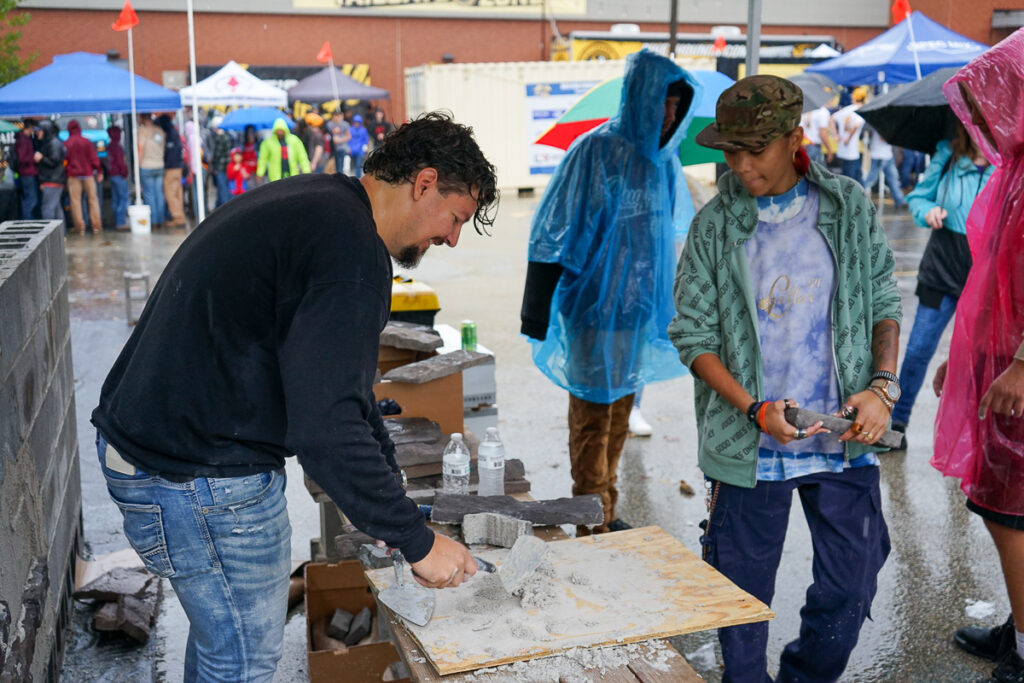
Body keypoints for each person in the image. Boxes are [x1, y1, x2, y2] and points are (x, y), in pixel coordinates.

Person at [91, 112, 498, 682]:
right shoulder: (350, 253)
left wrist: (389, 493)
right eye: (455, 218)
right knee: (242, 664)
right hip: (197, 479)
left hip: (161, 454)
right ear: (425, 183)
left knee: (223, 647)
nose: (452, 238)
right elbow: (325, 426)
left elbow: (342, 390)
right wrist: (417, 542)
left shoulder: (323, 205)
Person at [669, 75, 901, 682]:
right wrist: (754, 410)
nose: (741, 165)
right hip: (750, 447)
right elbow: (693, 336)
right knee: (740, 608)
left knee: (852, 587)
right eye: (731, 150)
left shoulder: (847, 206)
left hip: (841, 439)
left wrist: (882, 388)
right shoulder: (714, 226)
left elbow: (883, 299)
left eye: (756, 149)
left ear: (795, 138)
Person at [520, 50, 697, 534]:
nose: (670, 115)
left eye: (677, 105)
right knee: (593, 415)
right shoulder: (595, 151)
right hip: (593, 309)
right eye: (662, 102)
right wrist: (536, 308)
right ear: (640, 98)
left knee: (621, 409)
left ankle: (607, 509)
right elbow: (550, 231)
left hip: (638, 311)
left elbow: (668, 237)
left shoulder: (663, 161)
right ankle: (590, 516)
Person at [929, 28, 1024, 683]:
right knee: (1004, 507)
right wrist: (961, 355)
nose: (986, 115)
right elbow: (994, 277)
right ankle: (1018, 624)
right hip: (999, 361)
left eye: (996, 97)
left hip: (1017, 371)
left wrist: (1022, 365)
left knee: (1009, 509)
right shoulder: (1014, 169)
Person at [889, 122, 994, 445]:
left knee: (978, 356)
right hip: (941, 266)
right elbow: (919, 197)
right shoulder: (948, 153)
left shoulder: (1007, 165)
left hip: (984, 276)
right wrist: (928, 210)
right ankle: (896, 423)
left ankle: (972, 433)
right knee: (919, 348)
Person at [63, 119, 104, 234]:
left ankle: (80, 228)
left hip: (73, 176)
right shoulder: (87, 142)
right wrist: (99, 171)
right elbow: (94, 159)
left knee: (75, 202)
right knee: (93, 200)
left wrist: (66, 174)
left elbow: (64, 161)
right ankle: (96, 226)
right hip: (88, 174)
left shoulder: (67, 143)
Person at [861, 123, 908, 209]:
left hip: (887, 155)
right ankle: (858, 196)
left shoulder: (888, 123)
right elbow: (883, 138)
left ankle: (900, 200)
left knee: (893, 179)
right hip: (879, 156)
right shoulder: (880, 124)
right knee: (871, 180)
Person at [257, 118, 310, 183]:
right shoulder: (268, 142)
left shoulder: (294, 140)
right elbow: (263, 159)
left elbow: (303, 157)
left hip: (292, 175)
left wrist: (307, 171)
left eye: (281, 130)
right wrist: (260, 173)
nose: (280, 133)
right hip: (275, 177)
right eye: (278, 130)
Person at [34, 121, 66, 224]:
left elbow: (54, 161)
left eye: (39, 131)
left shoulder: (53, 143)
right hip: (53, 180)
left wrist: (41, 158)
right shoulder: (50, 143)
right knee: (56, 209)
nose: (37, 133)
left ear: (45, 131)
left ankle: (49, 231)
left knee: (48, 209)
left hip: (52, 180)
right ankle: (61, 232)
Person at [157, 114, 186, 227]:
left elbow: (170, 154)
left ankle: (178, 218)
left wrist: (165, 164)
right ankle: (180, 216)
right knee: (177, 193)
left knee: (171, 193)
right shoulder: (175, 132)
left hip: (171, 168)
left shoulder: (169, 135)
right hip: (178, 167)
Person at [832, 88, 866, 183]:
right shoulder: (861, 110)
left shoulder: (847, 109)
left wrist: (836, 135)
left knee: (852, 178)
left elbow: (832, 119)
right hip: (852, 151)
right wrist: (848, 138)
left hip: (844, 150)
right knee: (853, 181)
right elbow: (856, 125)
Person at [137, 114, 166, 227]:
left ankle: (153, 221)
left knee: (149, 194)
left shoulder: (142, 131)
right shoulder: (159, 130)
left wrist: (137, 166)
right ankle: (161, 220)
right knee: (159, 193)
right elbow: (163, 147)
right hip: (159, 164)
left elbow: (140, 149)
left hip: (147, 165)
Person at [106, 125, 130, 230]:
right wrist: (125, 173)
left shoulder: (109, 146)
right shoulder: (117, 147)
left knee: (116, 199)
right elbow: (121, 163)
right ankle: (121, 222)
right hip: (119, 175)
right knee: (123, 198)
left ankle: (116, 221)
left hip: (112, 175)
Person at [16, 118, 39, 219]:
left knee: (29, 200)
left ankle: (28, 220)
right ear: (30, 127)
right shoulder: (23, 140)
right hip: (27, 173)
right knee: (31, 200)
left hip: (27, 173)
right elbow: (22, 158)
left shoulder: (25, 139)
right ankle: (27, 221)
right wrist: (33, 158)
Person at [209, 117, 233, 208]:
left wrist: (214, 167)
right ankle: (219, 207)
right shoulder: (228, 135)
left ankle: (224, 209)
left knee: (222, 189)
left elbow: (217, 154)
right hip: (227, 166)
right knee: (223, 189)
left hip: (220, 167)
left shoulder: (220, 137)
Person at [327, 109, 350, 174]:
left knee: (340, 165)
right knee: (335, 166)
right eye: (335, 116)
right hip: (333, 148)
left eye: (338, 116)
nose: (337, 118)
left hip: (342, 147)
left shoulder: (345, 124)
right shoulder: (330, 124)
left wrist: (340, 140)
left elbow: (348, 136)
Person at [348, 114, 369, 178]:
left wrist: (365, 147)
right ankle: (353, 177)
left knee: (358, 165)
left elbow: (365, 140)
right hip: (352, 151)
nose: (356, 124)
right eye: (355, 122)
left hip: (360, 151)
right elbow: (348, 140)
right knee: (353, 165)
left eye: (358, 122)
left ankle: (358, 178)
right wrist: (348, 147)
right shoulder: (350, 130)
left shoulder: (363, 130)